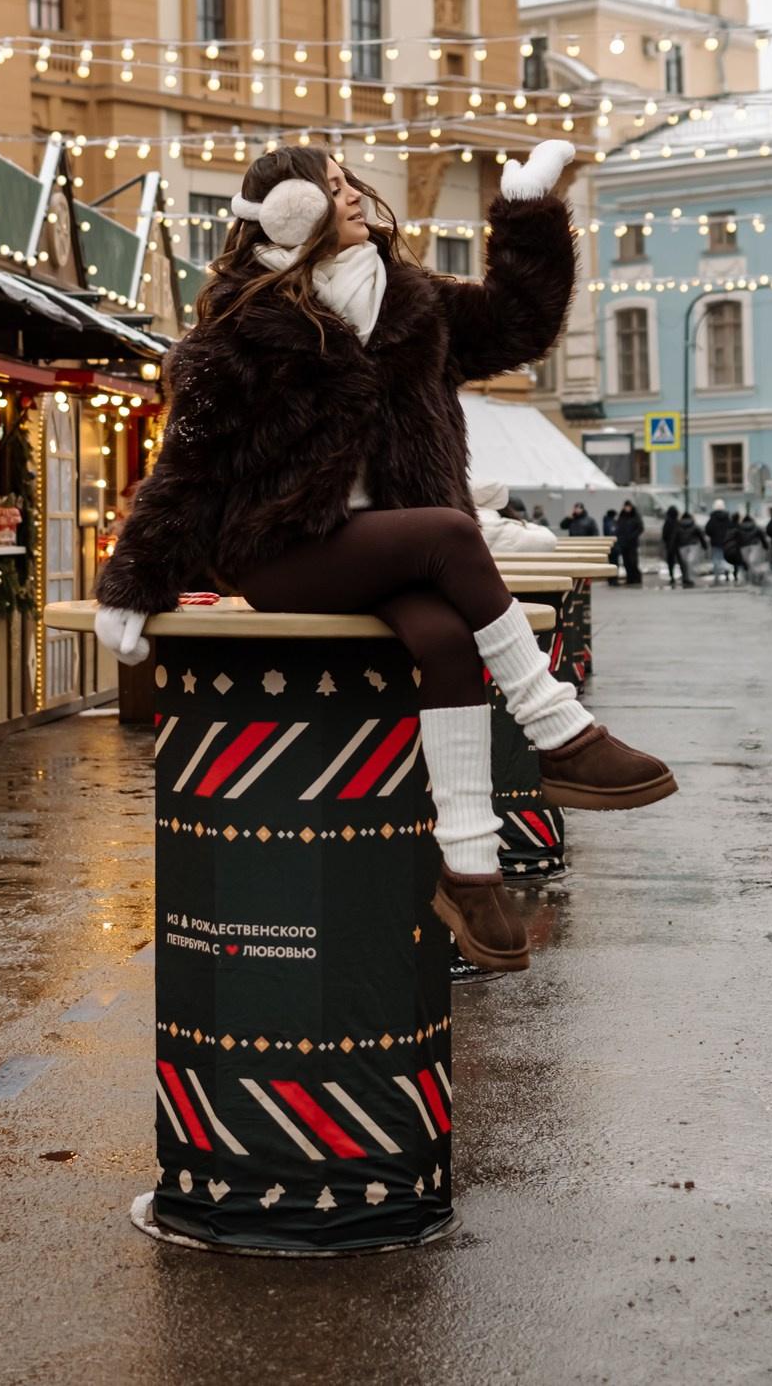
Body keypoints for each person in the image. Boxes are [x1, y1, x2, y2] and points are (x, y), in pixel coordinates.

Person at [93, 142, 677, 974]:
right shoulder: (241, 325)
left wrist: (527, 211)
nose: (353, 196)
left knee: (444, 641)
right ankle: (559, 730)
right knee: (449, 531)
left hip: (391, 553)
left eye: (347, 181)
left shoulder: (413, 303)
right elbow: (188, 465)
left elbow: (521, 323)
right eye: (328, 189)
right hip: (283, 551)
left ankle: (471, 875)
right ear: (291, 212)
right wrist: (133, 580)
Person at [614, 498, 644, 586]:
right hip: (624, 543)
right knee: (626, 561)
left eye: (628, 507)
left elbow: (640, 528)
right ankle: (630, 578)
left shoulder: (635, 516)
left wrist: (632, 536)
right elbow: (619, 528)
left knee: (633, 561)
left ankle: (636, 578)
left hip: (632, 543)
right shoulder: (622, 516)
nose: (627, 508)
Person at [674, 510, 707, 588]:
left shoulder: (678, 526)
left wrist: (671, 547)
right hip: (693, 545)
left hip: (682, 546)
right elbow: (701, 536)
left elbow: (674, 537)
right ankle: (691, 578)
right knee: (691, 562)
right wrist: (704, 545)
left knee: (685, 562)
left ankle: (687, 577)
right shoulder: (694, 525)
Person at [704, 498, 733, 585]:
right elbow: (731, 529)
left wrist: (713, 535)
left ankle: (717, 577)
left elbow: (708, 529)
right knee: (725, 559)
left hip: (715, 542)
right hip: (726, 541)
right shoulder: (727, 518)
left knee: (716, 560)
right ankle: (727, 571)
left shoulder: (713, 518)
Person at [735, 511, 768, 583]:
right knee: (753, 563)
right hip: (755, 546)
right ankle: (756, 576)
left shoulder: (739, 528)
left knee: (747, 564)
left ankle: (749, 579)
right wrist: (765, 546)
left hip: (743, 547)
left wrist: (736, 548)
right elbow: (762, 537)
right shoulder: (756, 527)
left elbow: (737, 538)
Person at [660, 506, 681, 586]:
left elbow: (664, 534)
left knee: (670, 562)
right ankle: (683, 575)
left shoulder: (667, 522)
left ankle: (672, 576)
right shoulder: (677, 522)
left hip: (669, 545)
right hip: (678, 545)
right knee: (681, 561)